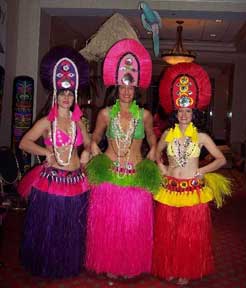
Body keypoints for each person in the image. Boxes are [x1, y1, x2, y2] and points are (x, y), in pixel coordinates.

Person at [85, 39, 161, 278]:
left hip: (136, 173)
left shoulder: (146, 115)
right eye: (122, 86)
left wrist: (153, 151)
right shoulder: (106, 114)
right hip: (110, 172)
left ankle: (129, 265)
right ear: (116, 88)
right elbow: (94, 137)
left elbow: (152, 138)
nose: (127, 91)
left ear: (136, 88)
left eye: (130, 87)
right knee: (110, 225)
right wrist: (93, 148)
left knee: (132, 225)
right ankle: (111, 265)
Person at [152, 62, 231, 285]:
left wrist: (201, 171)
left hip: (192, 190)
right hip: (169, 188)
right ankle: (168, 266)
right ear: (175, 112)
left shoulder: (202, 137)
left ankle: (185, 270)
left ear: (193, 113)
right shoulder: (167, 133)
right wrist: (162, 167)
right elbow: (155, 154)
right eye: (180, 111)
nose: (184, 115)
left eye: (188, 111)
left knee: (188, 235)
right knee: (169, 233)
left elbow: (222, 159)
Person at [17, 46, 91, 278]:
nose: (66, 98)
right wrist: (45, 153)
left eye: (70, 94)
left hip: (76, 180)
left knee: (70, 228)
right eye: (62, 94)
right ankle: (47, 265)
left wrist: (88, 152)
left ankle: (66, 265)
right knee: (51, 227)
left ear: (74, 96)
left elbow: (88, 144)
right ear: (56, 96)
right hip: (53, 180)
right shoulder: (46, 122)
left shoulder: (79, 122)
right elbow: (24, 143)